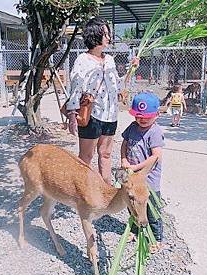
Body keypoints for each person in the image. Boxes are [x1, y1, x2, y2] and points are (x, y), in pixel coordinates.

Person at [66, 17, 138, 184]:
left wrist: (132, 68)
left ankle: (105, 191)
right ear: (95, 35)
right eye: (105, 33)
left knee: (105, 154)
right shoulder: (83, 60)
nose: (109, 37)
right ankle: (81, 192)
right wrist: (71, 116)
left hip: (111, 115)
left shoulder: (110, 60)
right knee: (86, 156)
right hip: (92, 115)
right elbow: (75, 88)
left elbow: (118, 85)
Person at [121, 92, 165, 252]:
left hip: (148, 180)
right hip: (132, 177)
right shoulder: (132, 127)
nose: (141, 120)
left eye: (146, 117)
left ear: (157, 115)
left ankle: (156, 237)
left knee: (151, 210)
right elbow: (124, 144)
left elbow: (156, 156)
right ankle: (134, 231)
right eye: (138, 117)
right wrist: (124, 159)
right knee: (132, 205)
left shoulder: (155, 132)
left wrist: (136, 167)